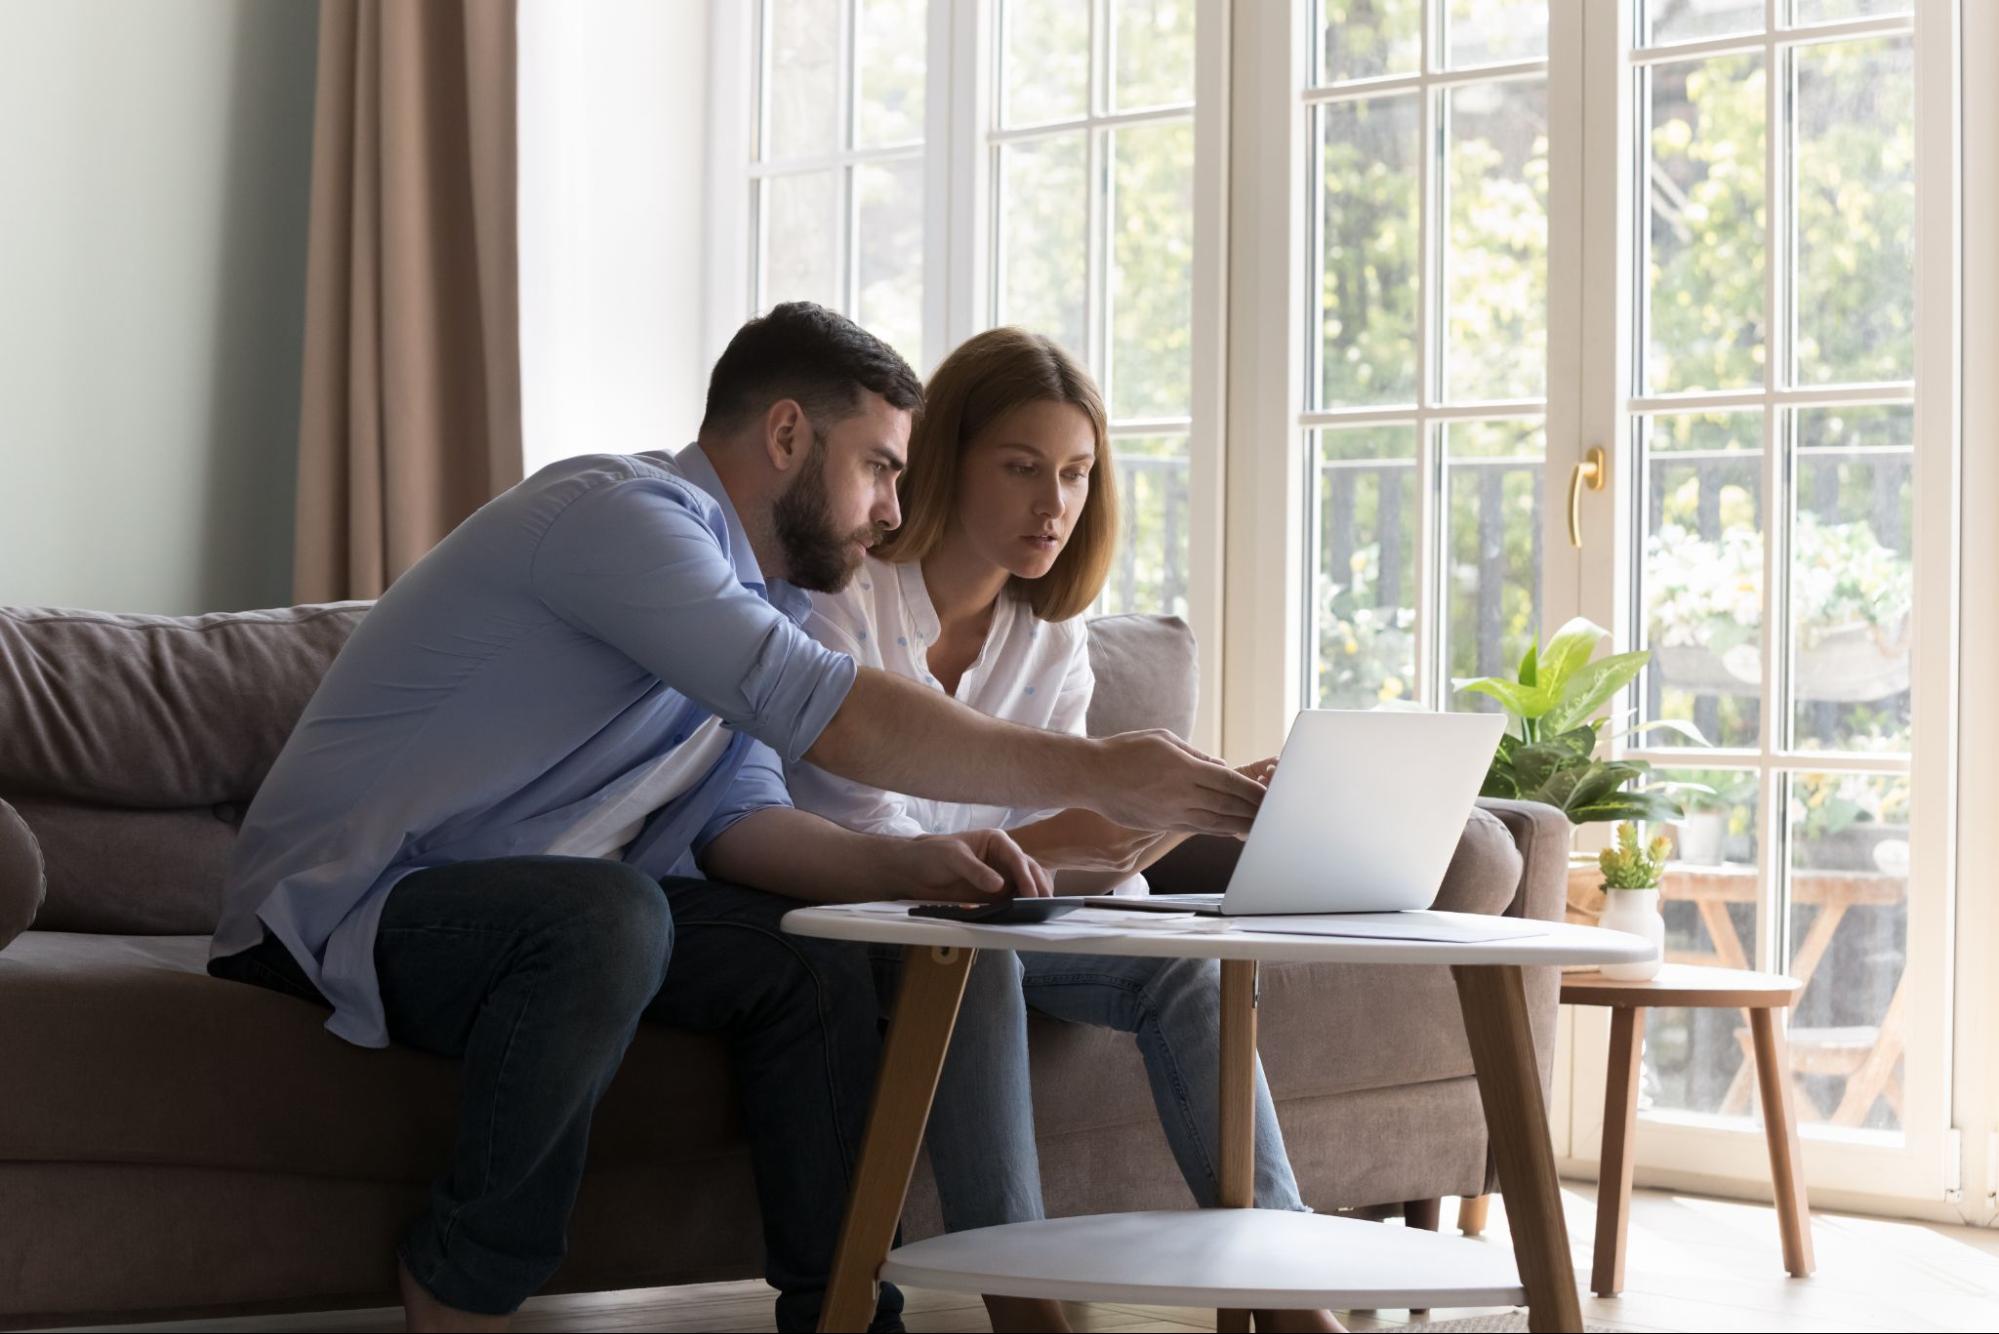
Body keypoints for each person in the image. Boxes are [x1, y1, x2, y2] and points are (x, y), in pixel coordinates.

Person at [206, 304, 1266, 1334]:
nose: (894, 510)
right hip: (350, 907)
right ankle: (463, 1280)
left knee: (803, 949)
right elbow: (831, 712)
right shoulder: (621, 517)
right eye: (880, 467)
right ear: (788, 434)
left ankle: (845, 1309)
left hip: (546, 912)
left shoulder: (766, 599)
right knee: (610, 914)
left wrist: (916, 865)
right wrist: (1097, 769)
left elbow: (739, 826)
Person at [788, 327, 1344, 1334]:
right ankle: (1026, 1305)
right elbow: (871, 831)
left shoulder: (1051, 639)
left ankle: (1289, 1295)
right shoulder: (839, 601)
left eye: (1078, 475)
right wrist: (1073, 830)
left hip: (1007, 915)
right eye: (1022, 468)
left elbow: (1061, 860)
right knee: (977, 956)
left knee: (1188, 959)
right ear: (946, 460)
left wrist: (1142, 833)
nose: (1054, 504)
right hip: (863, 921)